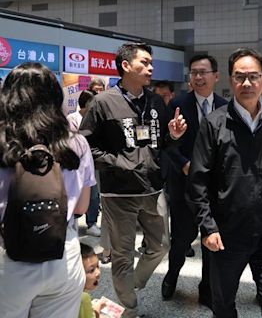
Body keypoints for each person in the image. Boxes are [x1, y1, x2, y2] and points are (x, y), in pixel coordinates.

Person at [80, 42, 187, 318]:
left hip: (153, 187)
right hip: (119, 193)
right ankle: (129, 308)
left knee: (161, 244)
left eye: (151, 63)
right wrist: (119, 163)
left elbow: (160, 143)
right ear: (126, 66)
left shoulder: (154, 102)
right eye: (144, 62)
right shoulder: (103, 102)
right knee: (122, 255)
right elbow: (86, 145)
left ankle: (132, 285)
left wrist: (172, 135)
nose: (151, 68)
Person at [187, 47, 262, 318]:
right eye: (239, 77)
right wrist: (207, 227)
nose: (247, 83)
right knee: (223, 303)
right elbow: (198, 180)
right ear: (230, 80)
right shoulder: (214, 124)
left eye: (253, 76)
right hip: (225, 233)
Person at [0, 62, 96, 318]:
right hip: (63, 254)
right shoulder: (76, 143)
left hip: (7, 258)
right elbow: (82, 207)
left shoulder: (3, 141)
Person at [162, 54, 227, 307]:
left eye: (203, 72)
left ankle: (207, 288)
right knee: (182, 238)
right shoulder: (178, 104)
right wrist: (183, 164)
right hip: (185, 185)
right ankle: (172, 275)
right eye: (194, 73)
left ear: (216, 76)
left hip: (214, 189)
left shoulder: (224, 107)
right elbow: (168, 144)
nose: (198, 77)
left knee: (212, 238)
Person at [68, 90, 102, 238]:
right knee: (75, 193)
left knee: (93, 195)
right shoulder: (72, 118)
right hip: (75, 164)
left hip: (93, 161)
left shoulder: (96, 118)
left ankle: (92, 223)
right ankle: (74, 221)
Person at [79, 243, 105, 318]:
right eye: (91, 270)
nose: (98, 272)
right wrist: (98, 307)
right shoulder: (83, 298)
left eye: (97, 265)